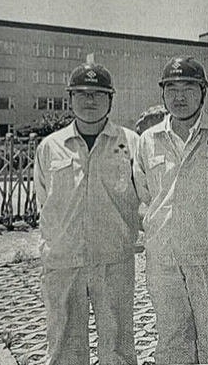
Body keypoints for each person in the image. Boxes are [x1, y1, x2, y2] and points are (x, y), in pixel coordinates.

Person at [133, 56, 208, 364]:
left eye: (188, 88)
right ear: (163, 94)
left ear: (203, 92)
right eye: (171, 89)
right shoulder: (148, 141)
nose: (179, 97)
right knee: (172, 344)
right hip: (165, 264)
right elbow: (143, 197)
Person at [33, 63, 139, 365]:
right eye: (81, 93)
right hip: (64, 261)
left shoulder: (130, 143)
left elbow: (141, 197)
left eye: (98, 94)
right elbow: (44, 201)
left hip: (114, 260)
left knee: (118, 347)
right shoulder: (50, 147)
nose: (89, 100)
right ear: (70, 99)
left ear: (110, 99)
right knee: (64, 347)